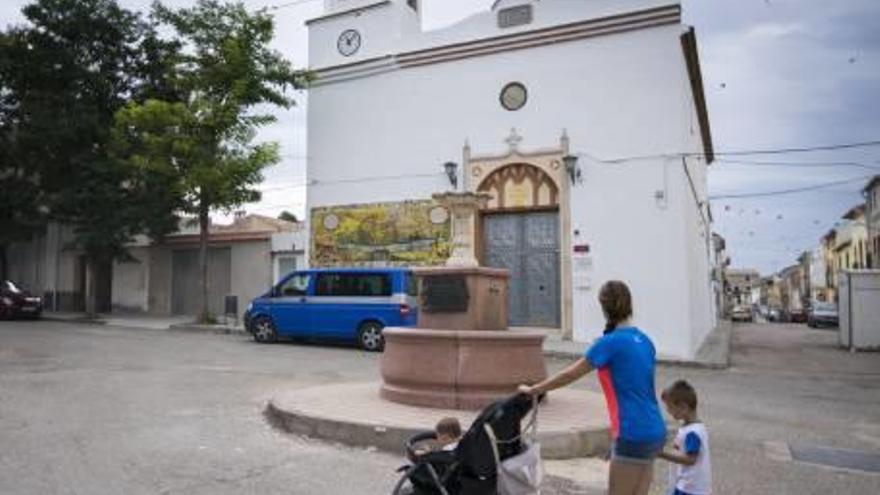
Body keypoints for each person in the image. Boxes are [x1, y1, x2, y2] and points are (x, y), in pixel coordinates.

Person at [519, 280, 666, 495]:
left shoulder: (609, 343)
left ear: (604, 308)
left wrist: (535, 390)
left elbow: (569, 374)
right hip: (654, 430)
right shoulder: (645, 340)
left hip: (632, 432)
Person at [659, 380, 712, 495]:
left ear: (683, 407)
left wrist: (661, 454)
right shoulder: (693, 428)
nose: (668, 411)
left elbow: (690, 459)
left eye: (670, 407)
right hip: (687, 484)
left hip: (690, 488)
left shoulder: (692, 433)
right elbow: (678, 449)